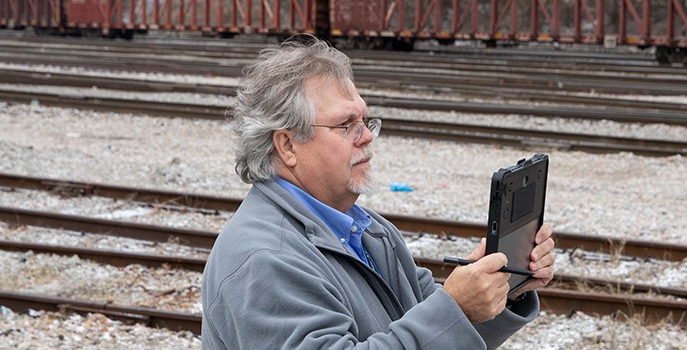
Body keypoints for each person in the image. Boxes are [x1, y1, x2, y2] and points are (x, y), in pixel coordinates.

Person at [201, 34, 557, 349]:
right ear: (287, 145)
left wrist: (504, 288)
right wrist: (456, 307)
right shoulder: (263, 259)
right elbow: (438, 324)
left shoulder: (367, 230)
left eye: (365, 121)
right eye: (346, 125)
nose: (367, 136)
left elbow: (439, 334)